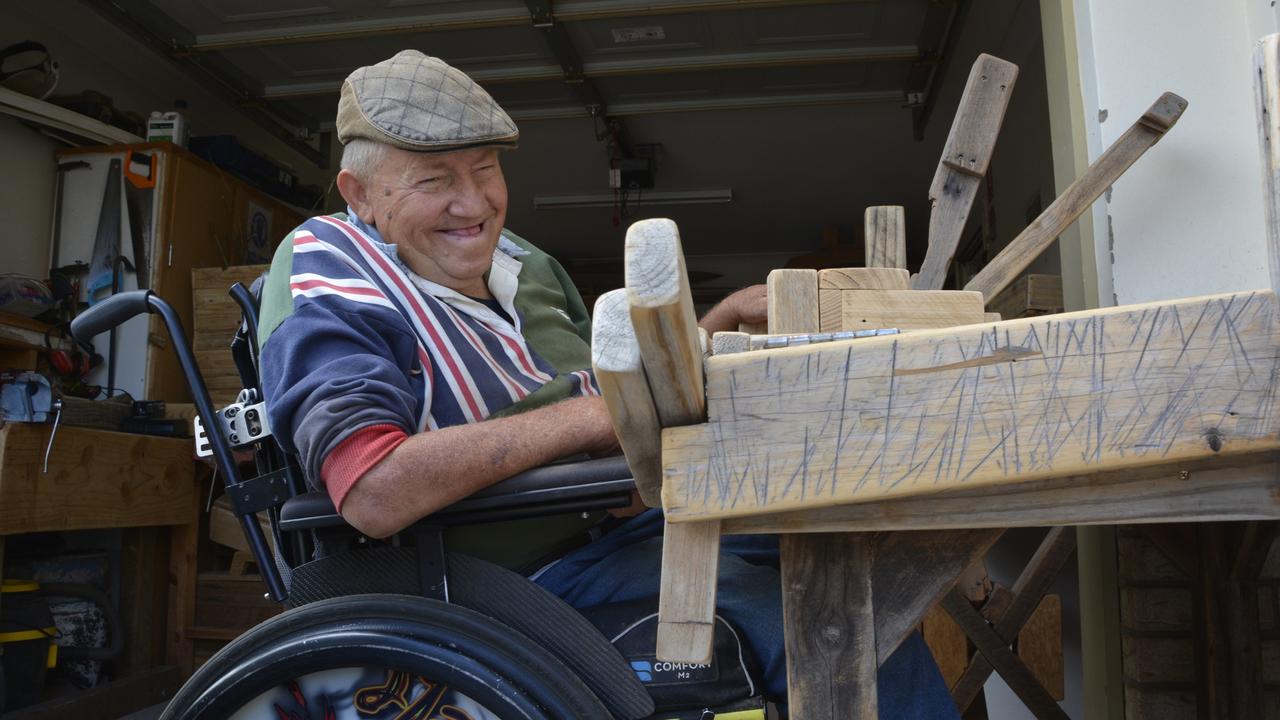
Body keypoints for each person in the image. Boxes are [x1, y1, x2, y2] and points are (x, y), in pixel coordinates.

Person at [259, 49, 959, 718]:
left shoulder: (522, 262)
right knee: (846, 632)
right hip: (510, 582)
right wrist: (597, 420)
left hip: (629, 526)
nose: (472, 203)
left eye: (484, 169)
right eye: (435, 179)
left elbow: (598, 384)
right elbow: (375, 490)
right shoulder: (332, 264)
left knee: (859, 561)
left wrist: (714, 327)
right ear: (360, 194)